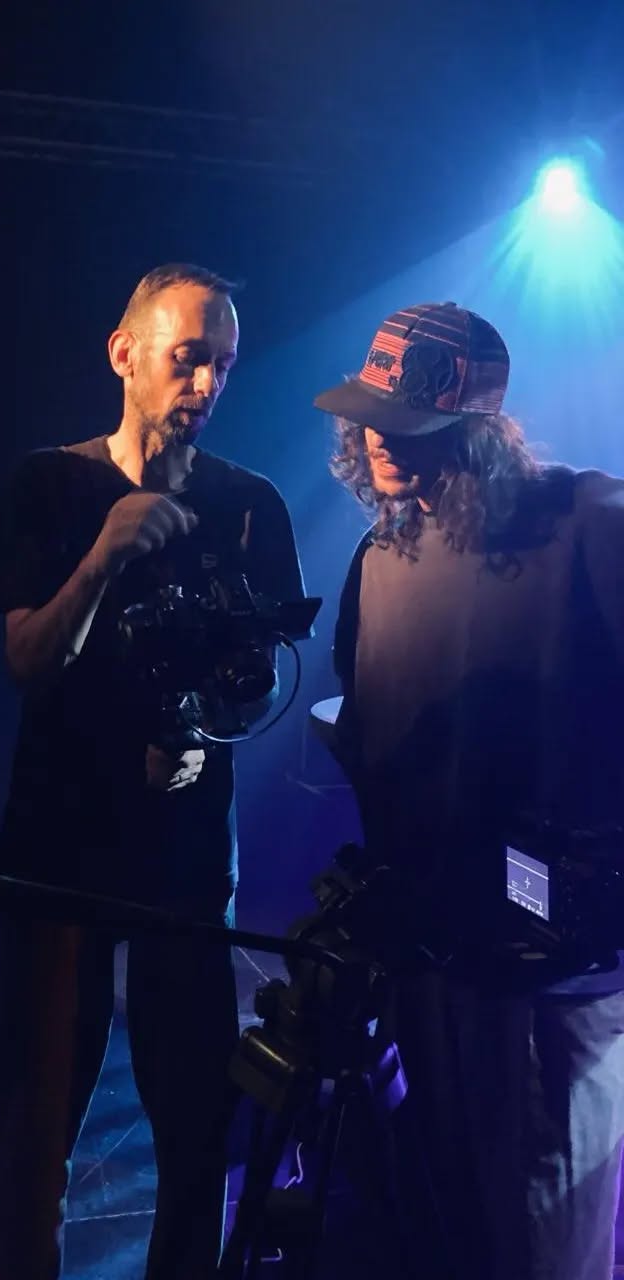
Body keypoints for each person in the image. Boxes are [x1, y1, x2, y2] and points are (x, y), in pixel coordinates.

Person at [0, 263, 308, 1279]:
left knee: (195, 1119)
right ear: (125, 354)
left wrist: (207, 729)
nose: (205, 384)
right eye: (187, 358)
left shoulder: (250, 504)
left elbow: (262, 681)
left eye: (223, 365)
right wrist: (104, 555)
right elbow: (26, 659)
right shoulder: (51, 484)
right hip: (61, 850)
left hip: (185, 863)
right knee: (37, 1120)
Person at [314, 301, 624, 1280]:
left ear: (482, 428)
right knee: (460, 1223)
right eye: (370, 415)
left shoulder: (586, 521)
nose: (381, 438)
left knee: (548, 1237)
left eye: (409, 424)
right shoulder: (377, 558)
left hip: (558, 962)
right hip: (431, 955)